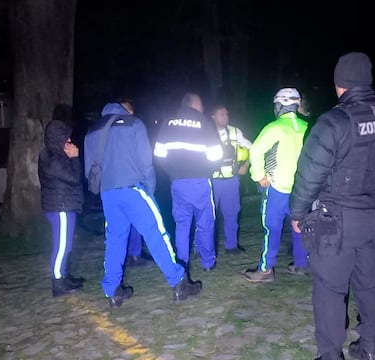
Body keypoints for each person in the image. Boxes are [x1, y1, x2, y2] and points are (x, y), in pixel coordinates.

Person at [290, 52, 375, 360]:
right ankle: (369, 347)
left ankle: (331, 354)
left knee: (331, 290)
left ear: (339, 84)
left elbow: (309, 174)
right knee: (371, 284)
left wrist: (297, 212)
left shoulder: (333, 122)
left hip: (337, 221)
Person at [85, 102, 202, 307]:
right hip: (134, 189)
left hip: (108, 194)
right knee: (156, 233)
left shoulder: (93, 130)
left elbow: (89, 170)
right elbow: (145, 162)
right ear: (125, 110)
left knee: (114, 239)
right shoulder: (134, 124)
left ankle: (113, 289)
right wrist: (149, 188)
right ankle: (178, 283)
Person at [244, 88, 309, 282]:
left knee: (271, 228)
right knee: (301, 226)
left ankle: (265, 270)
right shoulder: (308, 126)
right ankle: (301, 264)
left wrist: (258, 175)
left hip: (278, 188)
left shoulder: (275, 127)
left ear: (279, 105)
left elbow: (255, 151)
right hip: (302, 190)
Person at [154, 93, 223, 271]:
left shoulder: (168, 123)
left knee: (182, 225)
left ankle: (182, 263)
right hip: (200, 181)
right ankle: (208, 262)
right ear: (196, 104)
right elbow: (216, 155)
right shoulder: (205, 123)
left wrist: (172, 172)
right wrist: (207, 169)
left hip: (177, 183)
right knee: (205, 222)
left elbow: (159, 155)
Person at [38, 106, 85, 297]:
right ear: (58, 139)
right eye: (66, 137)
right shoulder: (53, 159)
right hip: (61, 206)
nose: (69, 140)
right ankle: (57, 282)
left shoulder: (54, 155)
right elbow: (74, 178)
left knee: (65, 245)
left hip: (62, 204)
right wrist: (75, 158)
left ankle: (63, 276)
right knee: (62, 246)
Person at [210, 104, 252, 254]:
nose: (226, 117)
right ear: (213, 116)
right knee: (207, 216)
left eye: (226, 114)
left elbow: (251, 148)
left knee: (232, 213)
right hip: (212, 182)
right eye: (222, 114)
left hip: (231, 181)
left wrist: (245, 165)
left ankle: (231, 246)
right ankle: (203, 248)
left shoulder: (235, 132)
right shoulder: (205, 132)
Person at [116, 99, 150, 267]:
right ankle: (134, 254)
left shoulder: (110, 130)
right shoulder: (134, 127)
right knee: (136, 219)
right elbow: (142, 157)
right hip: (131, 181)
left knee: (121, 223)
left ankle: (126, 256)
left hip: (114, 184)